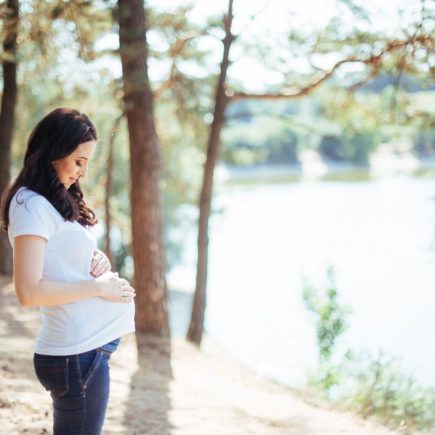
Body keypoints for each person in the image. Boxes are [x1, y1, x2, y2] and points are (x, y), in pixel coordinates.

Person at [0, 107, 136, 435]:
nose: (81, 173)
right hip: (75, 355)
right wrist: (100, 288)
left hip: (83, 353)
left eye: (86, 163)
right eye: (78, 161)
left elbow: (61, 257)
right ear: (53, 151)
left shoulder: (48, 200)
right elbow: (29, 292)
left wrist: (95, 259)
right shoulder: (31, 205)